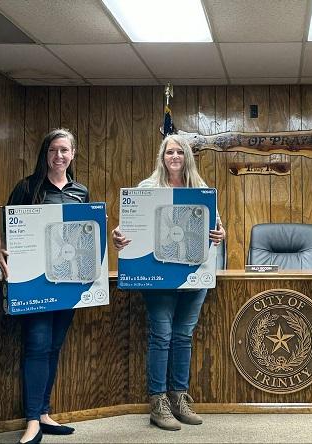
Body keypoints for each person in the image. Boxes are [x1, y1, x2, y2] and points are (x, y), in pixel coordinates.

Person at [112, 135, 225, 431]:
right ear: (162, 157)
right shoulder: (147, 189)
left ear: (187, 156)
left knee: (183, 335)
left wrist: (219, 234)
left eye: (179, 151)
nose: (174, 156)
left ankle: (179, 397)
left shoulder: (201, 190)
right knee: (161, 335)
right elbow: (129, 226)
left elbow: (216, 227)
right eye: (169, 152)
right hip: (159, 276)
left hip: (193, 274)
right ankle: (158, 401)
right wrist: (118, 235)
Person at [0, 128, 86, 444]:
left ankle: (44, 413)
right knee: (36, 346)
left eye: (65, 150)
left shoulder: (80, 192)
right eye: (53, 150)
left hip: (68, 282)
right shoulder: (28, 187)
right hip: (34, 283)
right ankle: (32, 420)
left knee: (53, 347)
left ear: (73, 154)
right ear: (45, 154)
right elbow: (4, 228)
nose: (59, 156)